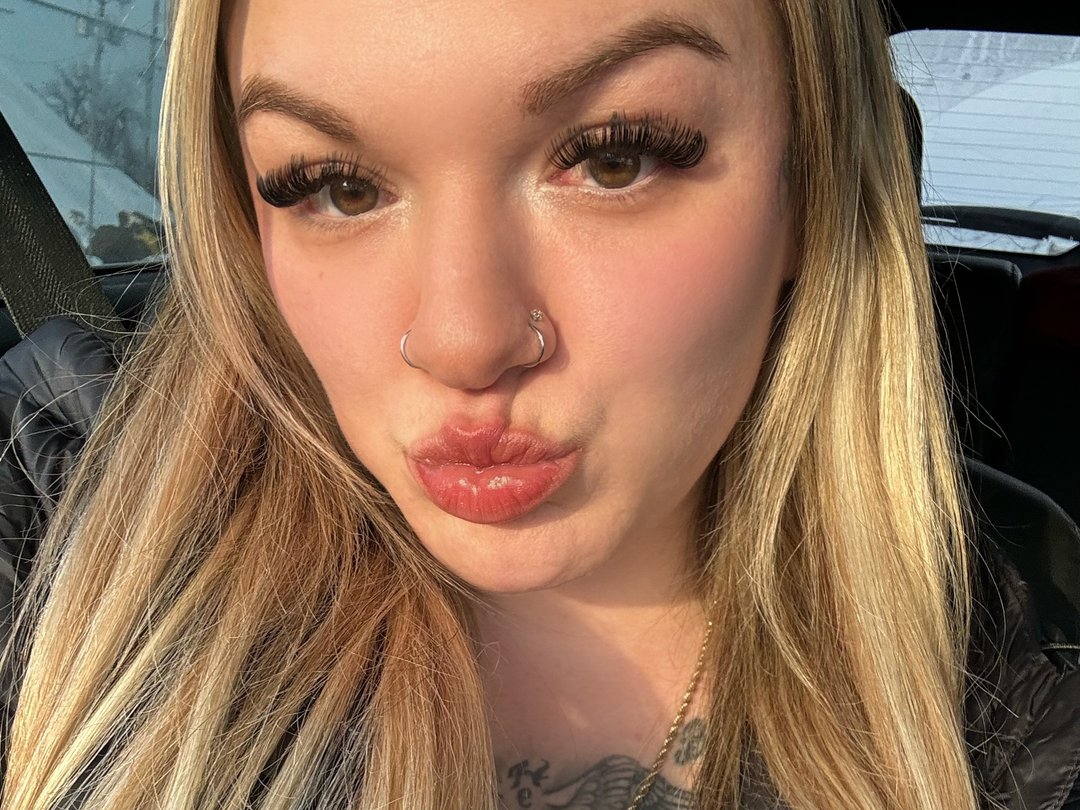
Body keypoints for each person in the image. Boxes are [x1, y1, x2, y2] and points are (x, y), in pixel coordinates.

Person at [1, 0, 1078, 807]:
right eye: (335, 185)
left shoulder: (997, 706)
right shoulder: (69, 518)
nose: (464, 340)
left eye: (615, 160)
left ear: (811, 186)